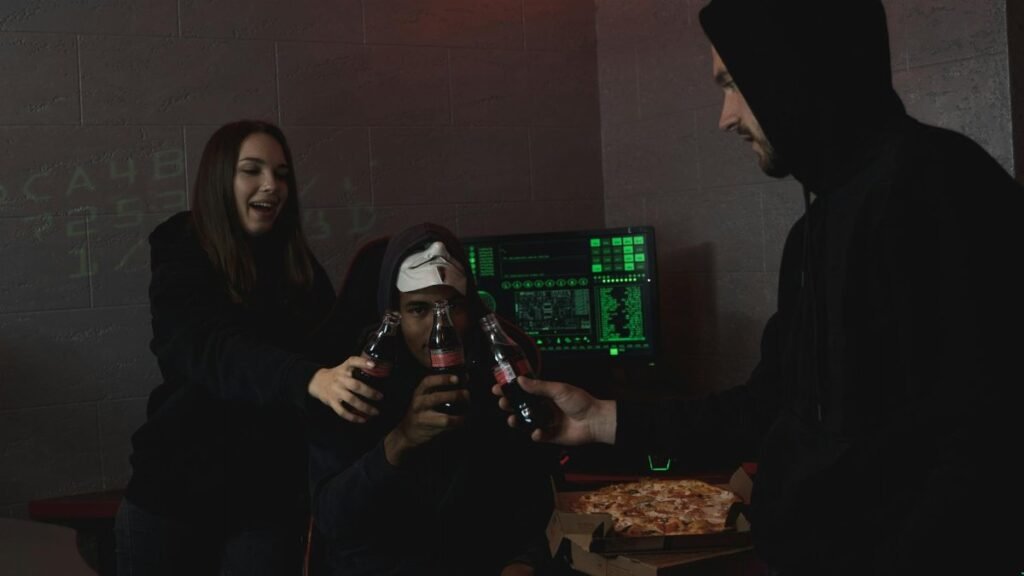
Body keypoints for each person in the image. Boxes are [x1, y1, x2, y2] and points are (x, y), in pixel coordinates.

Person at [494, 0, 1023, 573]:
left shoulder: (937, 184)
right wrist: (597, 419)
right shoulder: (816, 229)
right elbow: (765, 408)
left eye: (732, 84)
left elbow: (981, 445)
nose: (725, 116)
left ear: (790, 69)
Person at [115, 120, 379, 575]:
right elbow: (210, 349)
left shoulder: (297, 265)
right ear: (221, 178)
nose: (271, 186)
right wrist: (308, 379)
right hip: (176, 497)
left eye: (281, 173)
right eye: (251, 170)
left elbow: (333, 347)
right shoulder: (183, 246)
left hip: (266, 502)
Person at [307, 223, 557, 576]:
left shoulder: (497, 380)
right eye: (419, 310)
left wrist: (525, 562)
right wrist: (399, 442)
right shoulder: (352, 384)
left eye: (452, 306)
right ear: (392, 315)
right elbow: (334, 521)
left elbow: (531, 502)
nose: (441, 329)